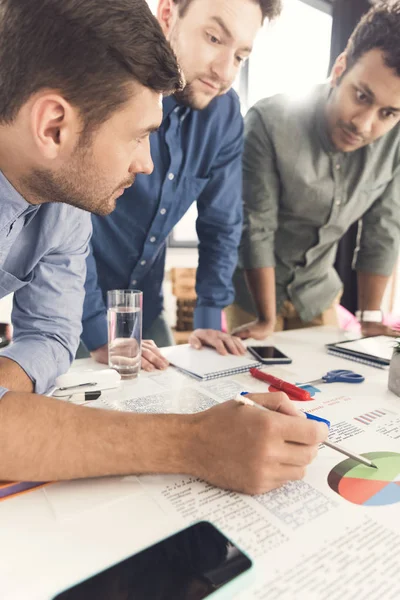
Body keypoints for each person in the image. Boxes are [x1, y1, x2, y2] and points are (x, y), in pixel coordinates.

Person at [0, 0, 327, 493]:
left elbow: (49, 333)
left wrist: (11, 391)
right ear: (54, 127)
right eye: (137, 138)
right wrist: (194, 442)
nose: (148, 165)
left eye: (241, 53)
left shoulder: (64, 204)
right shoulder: (75, 178)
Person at [81, 0, 282, 372]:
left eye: (240, 56)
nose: (224, 72)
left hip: (146, 312)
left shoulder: (223, 115)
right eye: (213, 37)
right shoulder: (104, 85)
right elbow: (66, 213)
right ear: (169, 13)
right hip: (72, 311)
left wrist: (207, 324)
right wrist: (96, 328)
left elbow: (221, 224)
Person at [227, 1, 400, 341]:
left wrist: (368, 318)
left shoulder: (395, 144)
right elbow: (257, 227)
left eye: (389, 113)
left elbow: (383, 228)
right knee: (252, 388)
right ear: (340, 68)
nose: (364, 125)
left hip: (318, 293)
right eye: (362, 96)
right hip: (253, 293)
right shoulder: (269, 122)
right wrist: (265, 319)